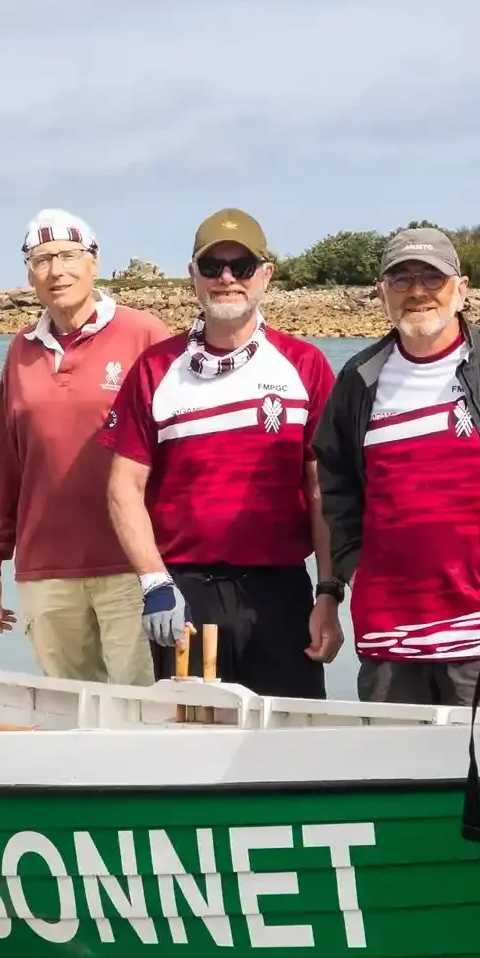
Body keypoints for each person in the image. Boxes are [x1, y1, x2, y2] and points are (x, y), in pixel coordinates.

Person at [104, 208, 336, 697]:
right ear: (193, 276)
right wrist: (153, 583)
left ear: (265, 275)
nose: (227, 278)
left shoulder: (306, 365)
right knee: (188, 745)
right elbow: (124, 488)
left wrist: (329, 593)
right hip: (184, 594)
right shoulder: (154, 368)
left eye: (242, 266)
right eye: (213, 267)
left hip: (281, 592)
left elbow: (322, 492)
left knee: (292, 747)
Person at [311, 226, 480, 706]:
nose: (417, 292)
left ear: (462, 289)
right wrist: (352, 567)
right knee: (397, 778)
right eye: (401, 279)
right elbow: (335, 483)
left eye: (432, 278)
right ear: (381, 292)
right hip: (389, 639)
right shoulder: (359, 379)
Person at [0, 208, 172, 683]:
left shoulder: (145, 334)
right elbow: (2, 461)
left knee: (142, 709)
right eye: (41, 260)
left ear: (94, 262)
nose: (56, 271)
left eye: (67, 256)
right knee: (70, 711)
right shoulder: (21, 349)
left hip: (132, 564)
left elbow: (179, 447)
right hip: (46, 568)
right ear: (29, 274)